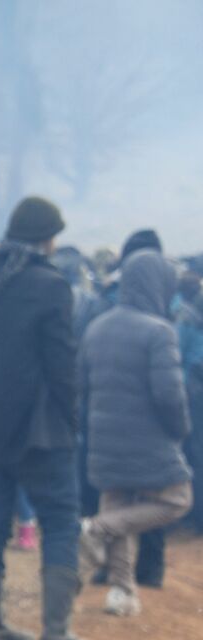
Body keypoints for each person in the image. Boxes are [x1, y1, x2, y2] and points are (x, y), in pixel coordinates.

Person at [0, 196, 89, 640]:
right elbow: (62, 367)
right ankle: (55, 633)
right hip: (40, 432)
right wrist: (71, 423)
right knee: (61, 521)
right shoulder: (51, 287)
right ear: (48, 238)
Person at [78, 250, 193, 617]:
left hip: (103, 440)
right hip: (148, 441)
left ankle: (122, 591)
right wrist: (181, 431)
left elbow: (81, 387)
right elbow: (169, 395)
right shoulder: (159, 332)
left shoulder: (97, 327)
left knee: (120, 505)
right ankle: (94, 530)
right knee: (177, 499)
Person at [76, 229, 170, 589]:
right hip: (149, 417)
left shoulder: (105, 299)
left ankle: (112, 570)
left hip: (106, 413)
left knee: (113, 494)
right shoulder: (165, 306)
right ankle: (148, 568)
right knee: (155, 493)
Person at [174, 273, 203, 532]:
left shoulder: (187, 320)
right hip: (195, 389)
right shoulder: (190, 320)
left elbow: (183, 359)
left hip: (193, 393)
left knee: (195, 451)